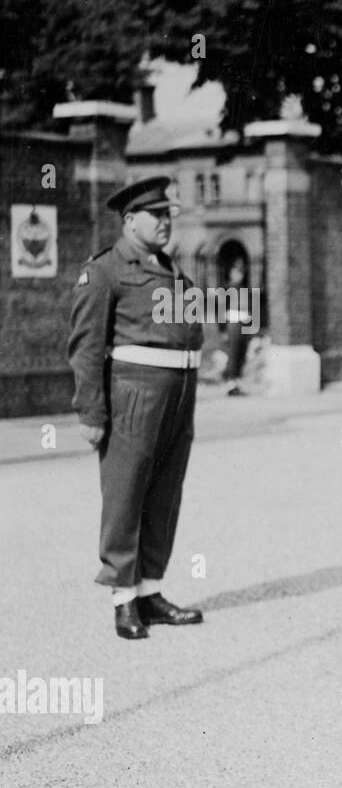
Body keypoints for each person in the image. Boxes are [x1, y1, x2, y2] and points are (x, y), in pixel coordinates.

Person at [68, 176, 206, 640]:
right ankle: (123, 599)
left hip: (177, 396)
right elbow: (85, 347)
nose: (167, 222)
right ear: (129, 221)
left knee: (164, 494)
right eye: (156, 215)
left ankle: (150, 590)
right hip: (133, 395)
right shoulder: (106, 270)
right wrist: (90, 412)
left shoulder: (170, 270)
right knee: (126, 494)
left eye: (169, 214)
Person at [220, 256, 254, 396]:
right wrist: (223, 329)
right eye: (236, 272)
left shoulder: (244, 289)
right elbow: (221, 310)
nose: (239, 275)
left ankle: (237, 384)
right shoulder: (227, 289)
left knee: (241, 353)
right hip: (232, 324)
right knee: (233, 354)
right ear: (231, 273)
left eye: (241, 272)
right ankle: (230, 384)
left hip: (243, 323)